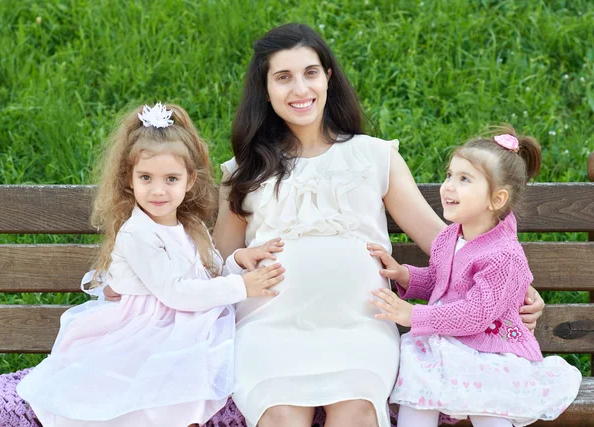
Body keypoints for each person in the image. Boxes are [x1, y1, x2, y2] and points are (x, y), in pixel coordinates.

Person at [212, 24, 545, 427]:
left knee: (355, 412)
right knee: (281, 417)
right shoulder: (244, 172)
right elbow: (217, 264)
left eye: (310, 73)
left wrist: (514, 286)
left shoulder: (372, 156)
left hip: (360, 325)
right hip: (270, 329)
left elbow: (446, 241)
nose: (300, 89)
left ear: (329, 78)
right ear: (265, 90)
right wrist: (240, 258)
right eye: (283, 77)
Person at [16, 103, 285, 427]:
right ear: (129, 180)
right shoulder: (138, 233)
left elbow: (206, 273)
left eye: (171, 178)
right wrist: (242, 286)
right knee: (159, 401)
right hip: (145, 329)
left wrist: (238, 261)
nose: (158, 190)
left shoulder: (191, 225)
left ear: (189, 181)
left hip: (183, 324)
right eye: (146, 177)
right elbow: (175, 292)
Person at [368, 127, 581, 426]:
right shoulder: (449, 238)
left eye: (464, 179)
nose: (449, 186)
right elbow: (441, 281)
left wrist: (414, 315)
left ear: (496, 199)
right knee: (417, 397)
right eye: (449, 175)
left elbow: (476, 313)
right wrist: (405, 275)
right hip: (447, 345)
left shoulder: (503, 254)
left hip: (490, 351)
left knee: (489, 409)